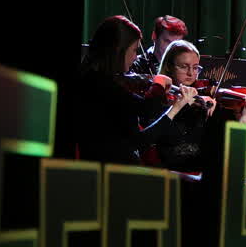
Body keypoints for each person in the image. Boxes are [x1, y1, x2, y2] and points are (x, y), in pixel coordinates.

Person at [73, 15, 199, 164]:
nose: (135, 57)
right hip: (114, 169)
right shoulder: (102, 85)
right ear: (118, 50)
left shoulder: (93, 78)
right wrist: (159, 85)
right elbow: (146, 113)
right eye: (133, 50)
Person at [149, 38, 246, 173]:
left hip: (203, 173)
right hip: (171, 172)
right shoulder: (159, 97)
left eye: (195, 67)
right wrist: (181, 105)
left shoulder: (205, 103)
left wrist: (245, 117)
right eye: (184, 67)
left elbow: (227, 150)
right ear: (168, 66)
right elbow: (156, 138)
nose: (191, 73)